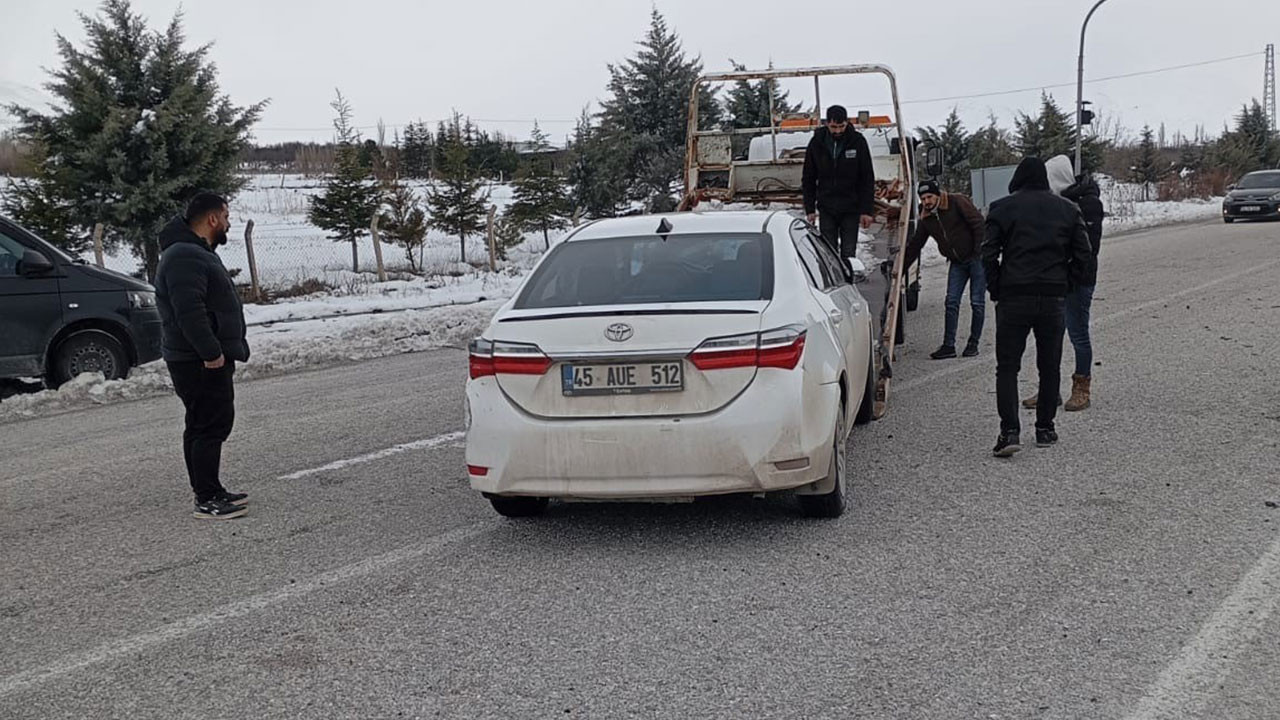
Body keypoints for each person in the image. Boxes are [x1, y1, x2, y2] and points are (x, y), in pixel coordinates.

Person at [982, 158, 1094, 457]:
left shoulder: (1001, 208)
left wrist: (996, 288)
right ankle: (1045, 427)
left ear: (1017, 178)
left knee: (1007, 366)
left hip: (1013, 296)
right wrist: (1066, 282)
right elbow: (1084, 254)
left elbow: (988, 254)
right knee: (1049, 365)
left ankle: (1009, 432)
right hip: (1053, 295)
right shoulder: (1068, 209)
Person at [154, 192, 251, 519]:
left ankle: (211, 489)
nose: (228, 222)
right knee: (209, 424)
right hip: (198, 359)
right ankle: (207, 498)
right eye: (225, 215)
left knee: (203, 422)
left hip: (198, 356)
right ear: (211, 219)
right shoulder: (185, 255)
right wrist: (212, 354)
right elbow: (189, 312)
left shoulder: (192, 251)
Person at [1023, 155, 1104, 412]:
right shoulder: (1056, 203)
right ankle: (1049, 388)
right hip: (1053, 279)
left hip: (1078, 280)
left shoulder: (1089, 205)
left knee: (1078, 332)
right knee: (1049, 335)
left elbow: (1087, 249)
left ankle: (1082, 387)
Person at [904, 179, 987, 359]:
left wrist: (978, 251)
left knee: (977, 302)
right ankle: (948, 345)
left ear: (938, 194)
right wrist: (902, 268)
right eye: (923, 198)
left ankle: (973, 343)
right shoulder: (926, 216)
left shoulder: (957, 201)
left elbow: (978, 223)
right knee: (951, 302)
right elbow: (917, 243)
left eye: (929, 197)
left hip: (975, 259)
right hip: (956, 262)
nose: (927, 201)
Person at [802, 104, 876, 258]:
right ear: (827, 123)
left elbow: (867, 178)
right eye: (834, 127)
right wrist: (809, 208)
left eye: (841, 126)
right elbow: (808, 177)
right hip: (826, 206)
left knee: (848, 253)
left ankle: (849, 278)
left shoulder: (858, 142)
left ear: (847, 123)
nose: (838, 131)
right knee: (828, 253)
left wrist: (866, 210)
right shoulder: (817, 143)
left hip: (851, 207)